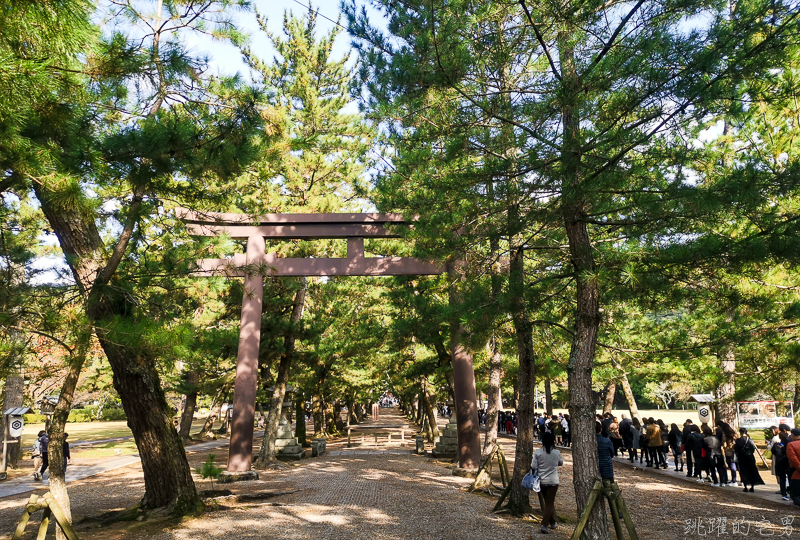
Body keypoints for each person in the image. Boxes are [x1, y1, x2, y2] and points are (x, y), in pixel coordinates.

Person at [531, 432, 563, 534]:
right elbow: (560, 463)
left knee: (548, 502)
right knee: (549, 503)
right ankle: (545, 524)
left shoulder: (538, 453)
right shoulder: (556, 453)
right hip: (553, 481)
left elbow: (533, 466)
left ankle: (552, 523)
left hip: (542, 481)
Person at [735, 428, 764, 492]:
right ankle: (752, 486)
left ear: (740, 433)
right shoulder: (750, 440)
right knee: (751, 471)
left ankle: (745, 486)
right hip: (750, 457)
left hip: (742, 458)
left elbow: (736, 450)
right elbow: (753, 449)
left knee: (743, 471)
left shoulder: (738, 440)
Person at [717, 420, 738, 486]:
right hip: (734, 450)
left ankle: (734, 480)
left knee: (731, 465)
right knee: (734, 464)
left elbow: (724, 443)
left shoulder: (724, 434)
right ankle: (735, 479)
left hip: (728, 451)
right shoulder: (733, 433)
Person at [787, 428, 800, 506]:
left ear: (793, 435)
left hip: (797, 473)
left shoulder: (791, 445)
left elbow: (793, 459)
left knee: (796, 495)